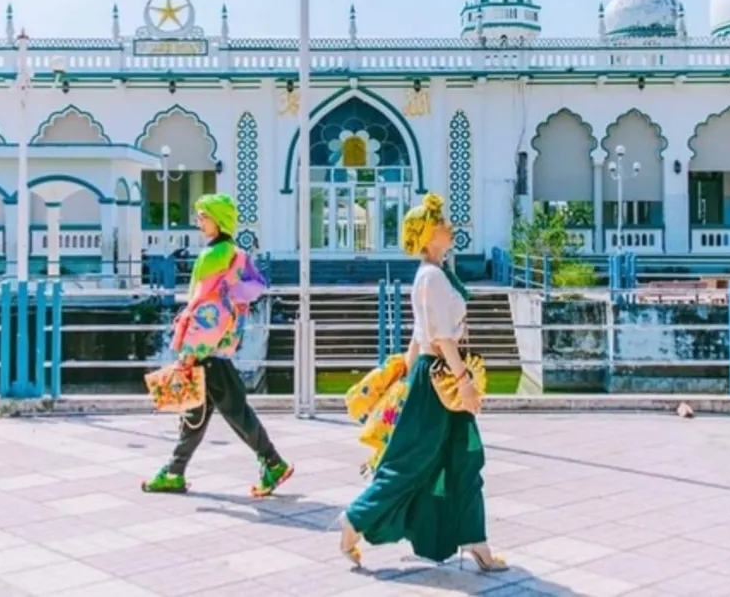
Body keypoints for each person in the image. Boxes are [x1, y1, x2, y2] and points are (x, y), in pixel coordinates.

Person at [336, 193, 506, 572]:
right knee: (411, 462)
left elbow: (418, 334)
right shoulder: (430, 276)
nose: (450, 228)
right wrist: (463, 382)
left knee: (463, 459)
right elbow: (440, 336)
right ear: (428, 236)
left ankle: (476, 541)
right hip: (439, 381)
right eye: (442, 224)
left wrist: (404, 377)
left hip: (432, 376)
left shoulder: (436, 274)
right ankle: (355, 519)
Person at [141, 193, 294, 498]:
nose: (199, 221)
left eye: (203, 215)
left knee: (231, 411)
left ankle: (273, 461)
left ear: (218, 219)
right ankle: (174, 471)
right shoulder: (232, 253)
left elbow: (205, 305)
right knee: (196, 412)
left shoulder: (213, 256)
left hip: (206, 349)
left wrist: (190, 351)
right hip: (217, 346)